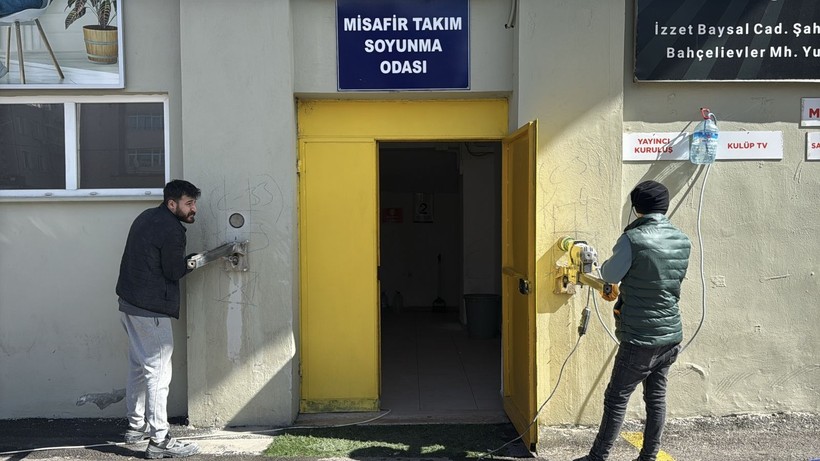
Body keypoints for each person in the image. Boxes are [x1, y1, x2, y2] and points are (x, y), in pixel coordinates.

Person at [573, 180, 691, 461]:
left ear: (637, 208)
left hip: (640, 336)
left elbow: (610, 276)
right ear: (665, 206)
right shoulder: (682, 240)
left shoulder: (633, 239)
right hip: (671, 334)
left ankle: (598, 456)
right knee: (656, 399)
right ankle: (648, 456)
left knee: (616, 399)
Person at [116, 180, 201, 459]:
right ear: (172, 203)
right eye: (189, 203)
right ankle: (160, 440)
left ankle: (136, 427)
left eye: (194, 203)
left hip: (129, 304)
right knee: (158, 373)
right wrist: (195, 261)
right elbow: (173, 270)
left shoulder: (146, 217)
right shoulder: (172, 229)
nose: (194, 209)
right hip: (151, 310)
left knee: (139, 368)